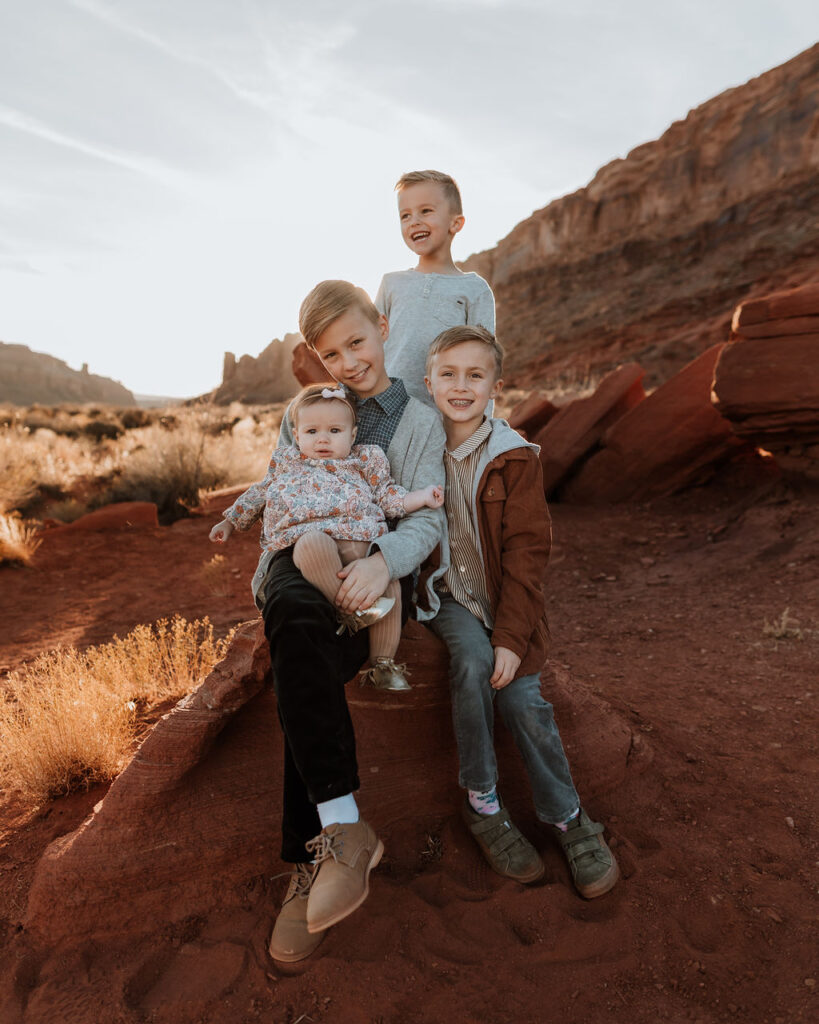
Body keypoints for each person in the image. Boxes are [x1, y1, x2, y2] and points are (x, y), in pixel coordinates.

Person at [250, 280, 445, 964]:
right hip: (299, 559)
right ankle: (339, 835)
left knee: (304, 670)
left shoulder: (416, 421)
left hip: (367, 562)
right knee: (293, 621)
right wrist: (273, 572)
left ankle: (318, 856)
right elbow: (281, 489)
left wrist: (385, 562)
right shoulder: (306, 410)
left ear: (383, 328)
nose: (348, 361)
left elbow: (425, 514)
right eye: (332, 354)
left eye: (357, 342)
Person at [422, 324, 620, 899]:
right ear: (430, 381)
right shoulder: (415, 449)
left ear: (496, 386)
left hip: (504, 600)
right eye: (449, 374)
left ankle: (568, 819)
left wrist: (512, 637)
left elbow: (528, 556)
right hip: (444, 596)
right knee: (469, 661)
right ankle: (482, 802)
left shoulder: (514, 457)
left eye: (475, 375)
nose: (461, 386)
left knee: (522, 697)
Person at [210, 382, 443, 692]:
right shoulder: (288, 462)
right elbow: (260, 492)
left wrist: (423, 497)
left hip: (361, 538)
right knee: (310, 545)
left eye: (334, 431)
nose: (322, 439)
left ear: (353, 435)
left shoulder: (364, 461)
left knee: (386, 575)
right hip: (312, 539)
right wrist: (230, 520)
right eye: (312, 432)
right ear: (296, 434)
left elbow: (389, 497)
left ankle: (383, 663)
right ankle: (352, 611)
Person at [375, 169, 495, 405]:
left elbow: (484, 364)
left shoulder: (474, 290)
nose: (414, 221)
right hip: (388, 411)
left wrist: (480, 432)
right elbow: (371, 348)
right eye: (405, 216)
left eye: (426, 211)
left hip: (443, 418)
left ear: (456, 223)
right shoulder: (392, 283)